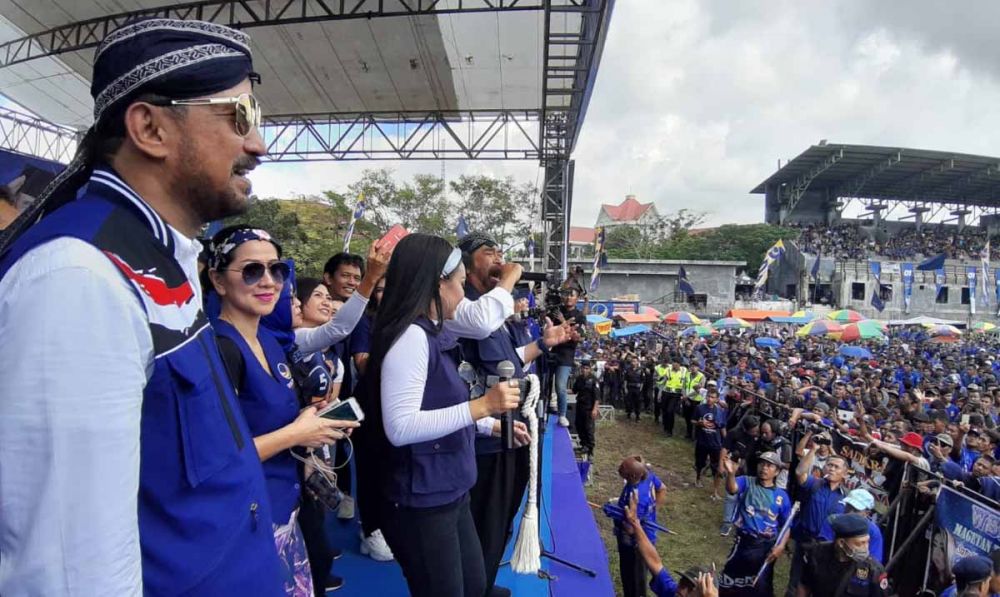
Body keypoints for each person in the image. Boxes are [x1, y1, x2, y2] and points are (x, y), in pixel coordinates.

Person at [0, 19, 287, 595]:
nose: (257, 143)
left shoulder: (157, 258)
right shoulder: (79, 278)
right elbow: (69, 569)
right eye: (239, 118)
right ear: (150, 128)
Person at [207, 226, 360, 594]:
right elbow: (217, 458)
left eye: (276, 270)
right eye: (251, 270)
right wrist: (296, 434)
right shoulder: (218, 350)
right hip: (245, 521)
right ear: (218, 280)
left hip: (285, 511)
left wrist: (317, 425)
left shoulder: (272, 344)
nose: (268, 281)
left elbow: (281, 420)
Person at [368, 233, 522, 597]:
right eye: (458, 283)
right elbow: (401, 426)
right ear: (438, 284)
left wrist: (488, 425)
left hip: (451, 491)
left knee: (473, 586)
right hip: (423, 500)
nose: (463, 293)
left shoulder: (434, 332)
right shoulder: (411, 337)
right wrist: (482, 407)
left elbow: (437, 405)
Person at [456, 231, 573, 597]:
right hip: (485, 436)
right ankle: (473, 587)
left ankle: (483, 581)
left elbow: (507, 360)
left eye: (500, 253)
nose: (499, 258)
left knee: (501, 514)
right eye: (489, 252)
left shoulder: (493, 309)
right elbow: (482, 348)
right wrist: (508, 278)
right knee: (484, 518)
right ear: (465, 262)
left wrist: (542, 344)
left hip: (511, 426)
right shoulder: (468, 307)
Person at [719, 452, 793, 597]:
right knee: (730, 579)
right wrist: (731, 474)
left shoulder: (781, 496)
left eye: (769, 465)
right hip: (743, 541)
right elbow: (732, 489)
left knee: (761, 585)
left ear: (777, 471)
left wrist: (781, 546)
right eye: (762, 464)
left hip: (766, 547)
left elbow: (787, 525)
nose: (764, 468)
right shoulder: (746, 482)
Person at [623, 492, 719, 597]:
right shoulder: (672, 593)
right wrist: (635, 524)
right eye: (682, 583)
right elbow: (655, 562)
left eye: (692, 589)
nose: (682, 591)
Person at [787, 451, 849, 597]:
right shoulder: (814, 484)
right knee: (795, 585)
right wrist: (813, 449)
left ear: (845, 473)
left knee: (820, 588)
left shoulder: (848, 497)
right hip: (806, 544)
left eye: (836, 467)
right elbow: (799, 472)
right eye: (829, 465)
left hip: (829, 550)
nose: (832, 469)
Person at [615, 456, 668, 597]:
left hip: (635, 543)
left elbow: (632, 528)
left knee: (634, 576)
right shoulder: (647, 476)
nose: (620, 469)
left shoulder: (635, 496)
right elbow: (662, 488)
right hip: (647, 533)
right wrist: (654, 509)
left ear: (632, 475)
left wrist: (618, 518)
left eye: (623, 468)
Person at [798, 514, 887, 597]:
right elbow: (804, 586)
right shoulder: (817, 554)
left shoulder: (874, 570)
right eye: (860, 543)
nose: (865, 548)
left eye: (867, 542)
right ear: (841, 543)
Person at [553, 286, 587, 427]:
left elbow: (578, 337)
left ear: (577, 298)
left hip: (565, 354)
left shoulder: (579, 316)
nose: (568, 297)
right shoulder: (555, 310)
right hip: (549, 350)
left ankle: (562, 414)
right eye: (566, 294)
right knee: (545, 383)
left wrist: (563, 324)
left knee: (561, 385)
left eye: (571, 295)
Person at [694, 387, 728, 498]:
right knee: (700, 463)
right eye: (708, 396)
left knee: (717, 467)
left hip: (715, 443)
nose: (709, 399)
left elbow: (722, 427)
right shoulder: (699, 408)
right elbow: (693, 420)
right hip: (702, 441)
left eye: (712, 397)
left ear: (717, 399)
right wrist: (699, 423)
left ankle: (715, 491)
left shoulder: (719, 411)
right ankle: (698, 478)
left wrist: (727, 443)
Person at [838, 489, 883, 564]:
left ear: (867, 513)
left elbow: (875, 562)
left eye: (855, 510)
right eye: (848, 507)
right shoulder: (834, 521)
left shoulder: (873, 532)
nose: (850, 512)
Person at [573, 360, 601, 456]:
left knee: (588, 429)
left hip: (589, 408)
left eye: (586, 368)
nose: (584, 370)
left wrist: (595, 409)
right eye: (583, 368)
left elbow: (597, 397)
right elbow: (574, 390)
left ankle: (590, 450)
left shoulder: (594, 380)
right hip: (580, 406)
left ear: (589, 369)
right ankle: (583, 445)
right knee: (579, 426)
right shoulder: (579, 379)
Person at [663, 359, 689, 437]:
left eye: (676, 364)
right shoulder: (668, 370)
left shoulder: (684, 371)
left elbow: (685, 383)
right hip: (666, 392)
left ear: (679, 364)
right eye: (673, 364)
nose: (674, 366)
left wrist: (684, 394)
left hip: (676, 394)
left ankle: (670, 430)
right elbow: (664, 380)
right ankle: (665, 426)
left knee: (670, 411)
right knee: (665, 410)